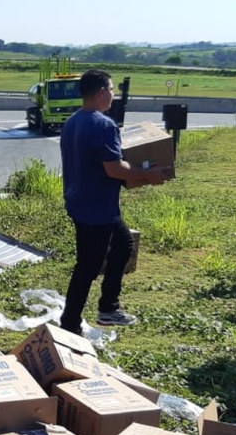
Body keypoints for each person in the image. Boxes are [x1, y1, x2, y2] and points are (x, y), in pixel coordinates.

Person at [58, 70, 168, 330]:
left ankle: (108, 307)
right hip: (96, 209)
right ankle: (70, 323)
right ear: (101, 93)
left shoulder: (73, 121)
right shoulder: (103, 124)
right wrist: (148, 174)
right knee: (88, 266)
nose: (114, 94)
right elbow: (115, 169)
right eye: (111, 89)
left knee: (123, 244)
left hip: (81, 202)